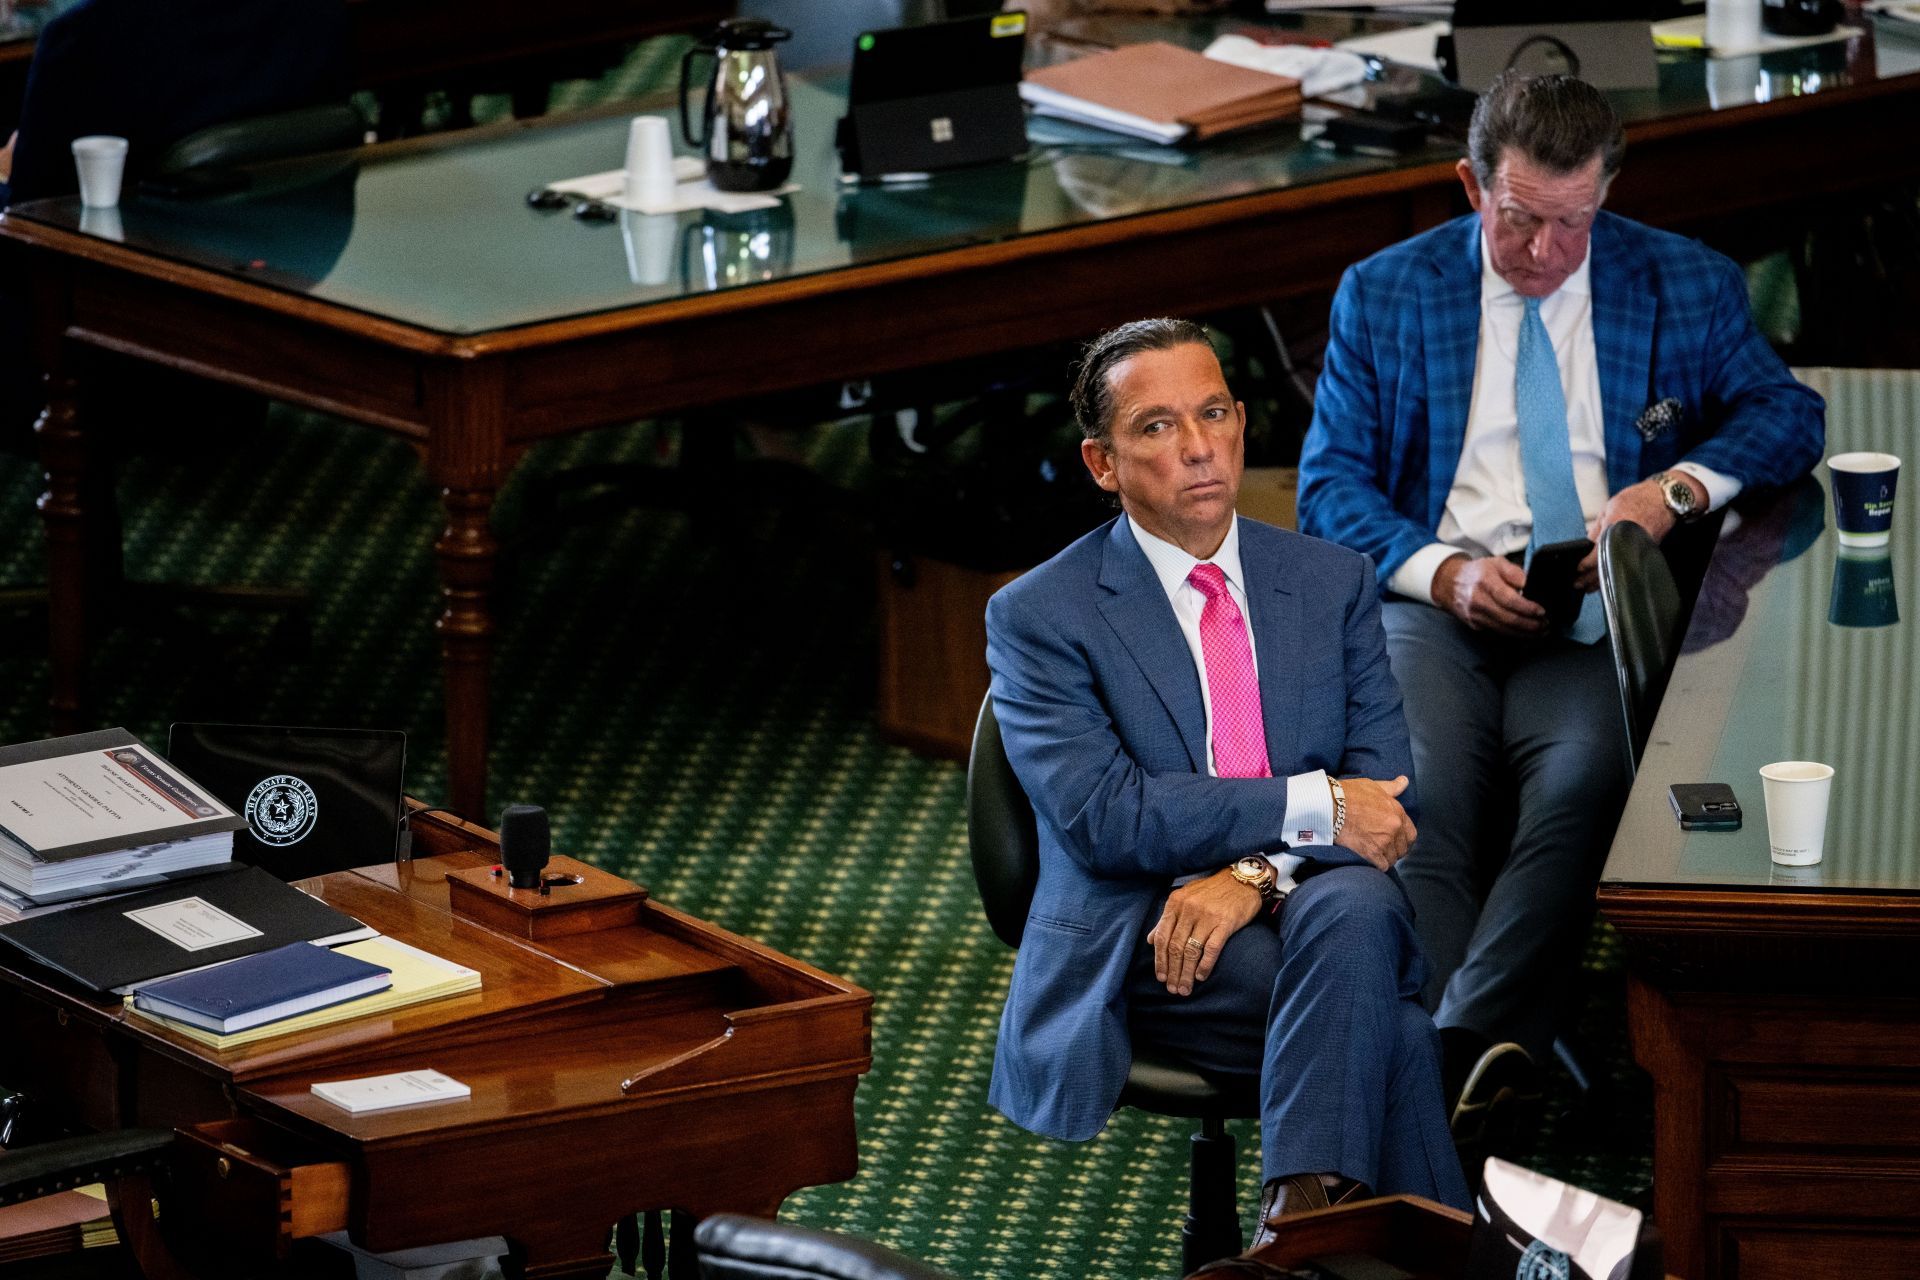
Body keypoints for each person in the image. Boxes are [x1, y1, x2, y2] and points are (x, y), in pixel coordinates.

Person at [1297, 71, 1824, 1123]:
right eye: (1518, 220)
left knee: (1585, 781)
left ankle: (1442, 1055)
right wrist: (1443, 569)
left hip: (1586, 611)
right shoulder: (1385, 291)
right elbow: (1328, 485)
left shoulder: (1682, 281)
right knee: (1424, 790)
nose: (1544, 253)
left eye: (1572, 224)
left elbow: (1784, 414)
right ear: (1468, 186)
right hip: (1435, 603)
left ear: (1607, 197)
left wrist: (1670, 494)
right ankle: (1475, 1061)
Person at [985, 317, 1471, 1236]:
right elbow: (1108, 819)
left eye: (1214, 413)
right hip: (1145, 931)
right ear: (1102, 463)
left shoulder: (1331, 581)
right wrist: (1309, 804)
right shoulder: (1039, 615)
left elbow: (1383, 799)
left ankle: (1297, 1222)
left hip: (1302, 907)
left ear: (1245, 420)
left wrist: (1255, 875)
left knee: (1356, 920)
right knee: (1391, 1012)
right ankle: (1336, 1232)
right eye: (1158, 427)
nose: (1200, 448)